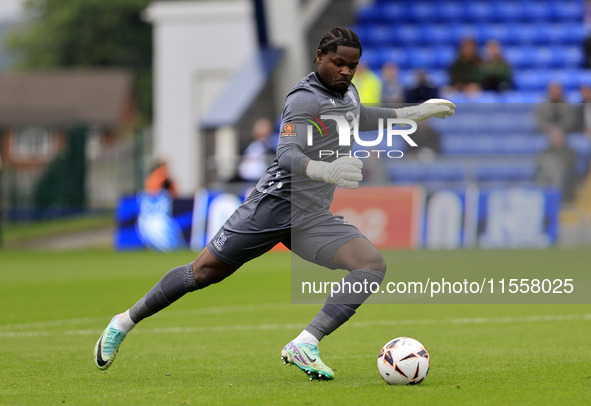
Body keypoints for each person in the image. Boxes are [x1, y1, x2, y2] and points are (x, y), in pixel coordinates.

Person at [93, 26, 455, 380]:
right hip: (272, 207)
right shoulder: (303, 99)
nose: (346, 71)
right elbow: (285, 153)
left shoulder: (348, 93)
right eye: (338, 63)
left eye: (352, 65)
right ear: (320, 58)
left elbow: (360, 117)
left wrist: (415, 112)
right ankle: (123, 322)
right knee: (201, 273)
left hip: (311, 217)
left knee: (370, 265)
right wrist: (323, 170)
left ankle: (306, 343)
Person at [534, 126, 578, 203]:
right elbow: (539, 164)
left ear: (562, 137)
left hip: (562, 178)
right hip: (546, 175)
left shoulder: (569, 152)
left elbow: (566, 164)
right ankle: (541, 198)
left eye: (556, 136)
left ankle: (555, 198)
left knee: (557, 172)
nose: (554, 138)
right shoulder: (546, 151)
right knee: (541, 174)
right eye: (552, 136)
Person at [235, 118, 275, 182]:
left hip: (261, 180)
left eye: (263, 127)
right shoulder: (246, 144)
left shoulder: (271, 146)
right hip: (242, 179)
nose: (258, 130)